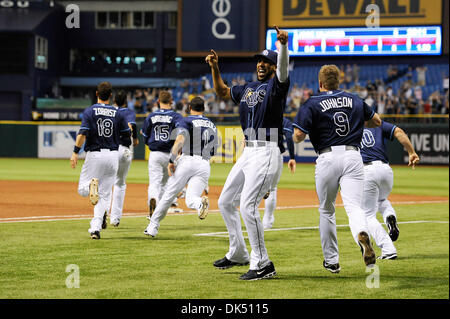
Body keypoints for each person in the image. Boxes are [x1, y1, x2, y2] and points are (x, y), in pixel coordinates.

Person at [206, 26, 290, 280]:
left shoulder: (278, 86)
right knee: (224, 202)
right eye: (260, 61)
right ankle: (239, 253)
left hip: (266, 151)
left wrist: (283, 46)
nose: (262, 64)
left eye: (267, 62)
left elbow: (285, 72)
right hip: (249, 152)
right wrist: (215, 67)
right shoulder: (248, 87)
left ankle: (263, 263)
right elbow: (221, 91)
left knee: (248, 206)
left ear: (275, 67)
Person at [292, 64, 382, 273]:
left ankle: (332, 260)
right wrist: (357, 123)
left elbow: (298, 136)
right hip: (352, 155)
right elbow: (376, 121)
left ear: (320, 83)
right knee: (354, 208)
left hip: (327, 156)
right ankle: (361, 233)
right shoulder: (355, 99)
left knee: (326, 210)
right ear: (339, 81)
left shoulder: (312, 103)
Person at [144, 97, 217, 237]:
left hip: (188, 159)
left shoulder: (187, 120)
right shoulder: (212, 124)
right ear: (204, 108)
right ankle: (200, 203)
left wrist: (172, 159)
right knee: (191, 200)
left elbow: (180, 140)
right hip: (204, 164)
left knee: (168, 195)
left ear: (190, 107)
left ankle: (153, 227)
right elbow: (213, 150)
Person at [70, 81, 131, 239]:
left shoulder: (90, 111)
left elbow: (83, 134)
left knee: (83, 190)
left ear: (97, 94)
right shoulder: (118, 113)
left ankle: (91, 186)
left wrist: (75, 152)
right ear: (110, 96)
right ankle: (95, 228)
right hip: (112, 156)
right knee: (104, 195)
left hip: (95, 154)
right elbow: (126, 135)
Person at [360, 121, 419, 259]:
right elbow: (399, 132)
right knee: (381, 200)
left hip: (366, 170)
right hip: (385, 170)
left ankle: (388, 249)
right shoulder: (377, 123)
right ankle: (389, 217)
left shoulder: (350, 126)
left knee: (368, 215)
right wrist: (411, 152)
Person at [141, 91, 184, 218]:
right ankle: (158, 211)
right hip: (171, 154)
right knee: (166, 183)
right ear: (171, 101)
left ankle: (153, 199)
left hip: (155, 153)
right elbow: (182, 135)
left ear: (158, 102)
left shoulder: (151, 116)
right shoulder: (176, 117)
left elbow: (144, 136)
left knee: (154, 182)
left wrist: (150, 144)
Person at [108, 90, 139, 227]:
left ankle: (102, 213)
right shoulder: (128, 112)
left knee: (106, 184)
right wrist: (135, 138)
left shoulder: (108, 111)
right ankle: (115, 219)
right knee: (120, 183)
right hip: (124, 150)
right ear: (125, 102)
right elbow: (131, 126)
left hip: (109, 150)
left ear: (113, 100)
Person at [262, 117, 297, 230]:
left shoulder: (260, 115)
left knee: (252, 187)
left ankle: (251, 220)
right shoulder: (282, 120)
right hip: (274, 152)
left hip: (257, 153)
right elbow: (289, 138)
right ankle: (267, 222)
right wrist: (292, 157)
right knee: (272, 189)